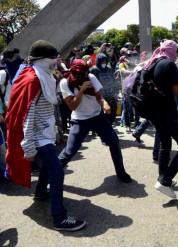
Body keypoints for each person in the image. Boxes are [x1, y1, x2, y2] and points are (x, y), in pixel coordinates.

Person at [6, 40, 86, 231]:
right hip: (37, 135)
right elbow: (27, 113)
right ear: (42, 60)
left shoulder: (42, 75)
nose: (56, 61)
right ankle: (59, 218)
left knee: (49, 167)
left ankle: (41, 192)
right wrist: (29, 145)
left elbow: (47, 106)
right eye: (52, 58)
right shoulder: (34, 79)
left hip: (45, 132)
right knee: (57, 171)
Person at [58, 59, 132, 182]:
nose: (86, 75)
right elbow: (72, 107)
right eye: (82, 74)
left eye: (86, 72)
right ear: (75, 73)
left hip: (97, 117)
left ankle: (121, 172)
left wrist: (104, 104)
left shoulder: (91, 77)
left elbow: (99, 96)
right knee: (69, 152)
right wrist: (81, 91)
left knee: (114, 142)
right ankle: (46, 179)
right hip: (80, 120)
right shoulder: (65, 82)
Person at [143, 40, 178, 199]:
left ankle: (162, 178)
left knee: (165, 144)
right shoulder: (169, 65)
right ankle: (165, 180)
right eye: (177, 52)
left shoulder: (151, 63)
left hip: (154, 113)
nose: (177, 56)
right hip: (167, 113)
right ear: (172, 51)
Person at [90, 53, 120, 124]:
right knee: (101, 114)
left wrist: (116, 91)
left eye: (105, 61)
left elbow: (113, 80)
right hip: (100, 96)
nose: (104, 63)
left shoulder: (109, 69)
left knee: (113, 111)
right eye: (102, 61)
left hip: (110, 94)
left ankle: (109, 124)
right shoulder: (94, 70)